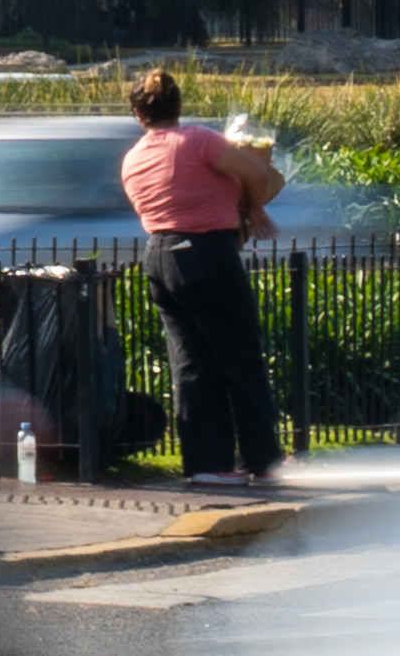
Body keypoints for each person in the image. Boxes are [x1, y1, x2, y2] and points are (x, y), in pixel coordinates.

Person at [120, 65, 284, 484]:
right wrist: (256, 207)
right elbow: (256, 172)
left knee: (191, 363)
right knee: (241, 357)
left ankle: (206, 464)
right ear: (179, 105)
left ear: (139, 115)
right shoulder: (198, 140)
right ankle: (264, 460)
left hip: (159, 257)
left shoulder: (133, 158)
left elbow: (150, 209)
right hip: (207, 252)